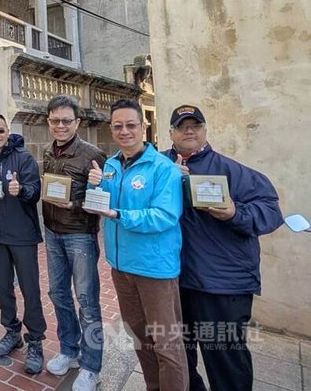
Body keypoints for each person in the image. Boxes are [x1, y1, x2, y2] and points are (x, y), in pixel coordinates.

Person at [163, 105, 283, 391]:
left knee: (225, 359)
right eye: (181, 126)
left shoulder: (232, 171)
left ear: (204, 130)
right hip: (172, 281)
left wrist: (234, 213)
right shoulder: (158, 167)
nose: (188, 130)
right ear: (171, 133)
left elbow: (270, 212)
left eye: (195, 125)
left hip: (221, 285)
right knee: (177, 356)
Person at [86, 98, 187, 391]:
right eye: (118, 126)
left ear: (143, 126)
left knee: (167, 345)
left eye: (131, 125)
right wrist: (95, 185)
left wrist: (119, 215)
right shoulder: (110, 165)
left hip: (155, 270)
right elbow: (102, 202)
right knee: (140, 340)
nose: (124, 131)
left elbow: (164, 216)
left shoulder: (162, 169)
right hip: (121, 268)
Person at [40, 96, 106, 391]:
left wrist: (75, 204)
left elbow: (102, 199)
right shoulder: (47, 152)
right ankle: (69, 349)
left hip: (80, 235)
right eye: (55, 121)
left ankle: (91, 366)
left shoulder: (92, 154)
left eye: (67, 120)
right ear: (49, 122)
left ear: (77, 123)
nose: (61, 126)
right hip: (52, 233)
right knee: (58, 294)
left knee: (87, 301)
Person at [0, 113, 46, 374]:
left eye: (0, 131)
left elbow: (35, 190)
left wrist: (23, 190)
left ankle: (36, 340)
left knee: (30, 289)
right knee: (3, 287)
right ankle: (11, 331)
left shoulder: (24, 158)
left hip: (23, 235)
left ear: (7, 132)